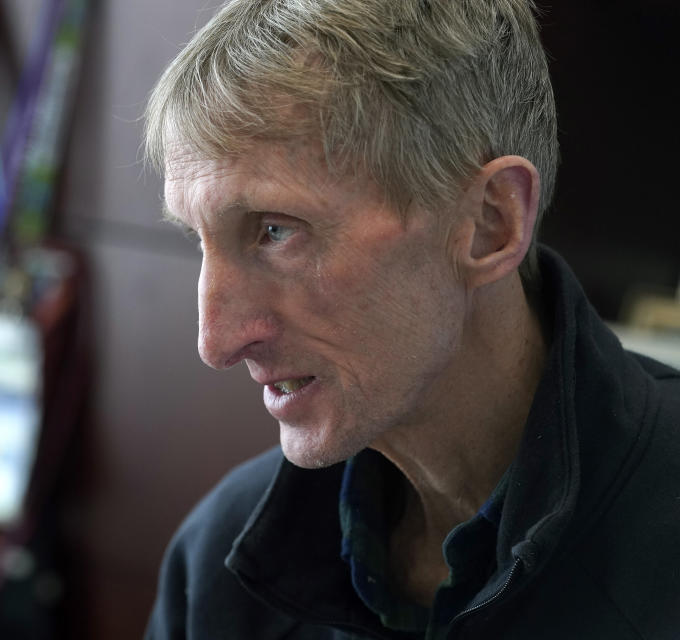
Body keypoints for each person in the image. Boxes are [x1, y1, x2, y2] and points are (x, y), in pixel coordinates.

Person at [141, 1, 680, 638]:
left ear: (489, 223)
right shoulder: (218, 560)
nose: (218, 341)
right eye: (199, 242)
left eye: (276, 231)